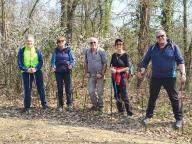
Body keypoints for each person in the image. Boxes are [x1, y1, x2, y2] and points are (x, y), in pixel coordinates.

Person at [139, 30, 186, 128]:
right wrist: (142, 70)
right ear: (156, 38)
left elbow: (180, 61)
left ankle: (178, 119)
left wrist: (183, 74)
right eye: (158, 37)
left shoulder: (173, 47)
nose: (160, 38)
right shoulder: (152, 48)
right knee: (152, 97)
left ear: (166, 35)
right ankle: (148, 117)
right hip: (156, 77)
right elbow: (144, 61)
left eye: (162, 36)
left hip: (170, 77)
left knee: (174, 98)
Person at [18, 34, 48, 113]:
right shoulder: (22, 50)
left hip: (37, 71)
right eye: (28, 41)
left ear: (33, 41)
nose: (29, 42)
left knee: (41, 88)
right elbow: (20, 63)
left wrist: (36, 68)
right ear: (25, 41)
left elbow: (41, 61)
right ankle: (27, 107)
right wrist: (26, 69)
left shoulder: (37, 50)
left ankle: (44, 105)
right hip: (26, 72)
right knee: (27, 90)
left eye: (31, 41)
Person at [51, 36, 76, 112]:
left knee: (68, 88)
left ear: (64, 42)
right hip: (58, 72)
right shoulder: (55, 51)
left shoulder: (68, 50)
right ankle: (60, 105)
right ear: (57, 43)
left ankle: (69, 104)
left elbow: (73, 60)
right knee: (60, 89)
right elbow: (53, 61)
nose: (61, 43)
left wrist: (71, 64)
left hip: (67, 71)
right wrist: (53, 66)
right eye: (59, 42)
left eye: (62, 41)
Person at [110, 38, 133, 117]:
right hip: (114, 76)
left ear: (123, 45)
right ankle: (121, 111)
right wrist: (112, 69)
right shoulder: (113, 55)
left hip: (122, 76)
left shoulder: (126, 55)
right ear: (115, 45)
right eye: (117, 44)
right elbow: (111, 66)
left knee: (124, 94)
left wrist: (119, 71)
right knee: (117, 94)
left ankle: (129, 112)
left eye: (120, 44)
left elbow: (128, 67)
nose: (119, 45)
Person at [84, 37, 107, 112]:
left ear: (97, 43)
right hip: (91, 74)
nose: (93, 44)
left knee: (100, 91)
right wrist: (86, 72)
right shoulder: (87, 51)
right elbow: (86, 63)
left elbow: (105, 63)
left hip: (100, 75)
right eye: (91, 43)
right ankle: (95, 105)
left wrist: (101, 73)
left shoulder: (102, 51)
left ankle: (101, 106)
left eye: (94, 42)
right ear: (89, 44)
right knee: (91, 91)